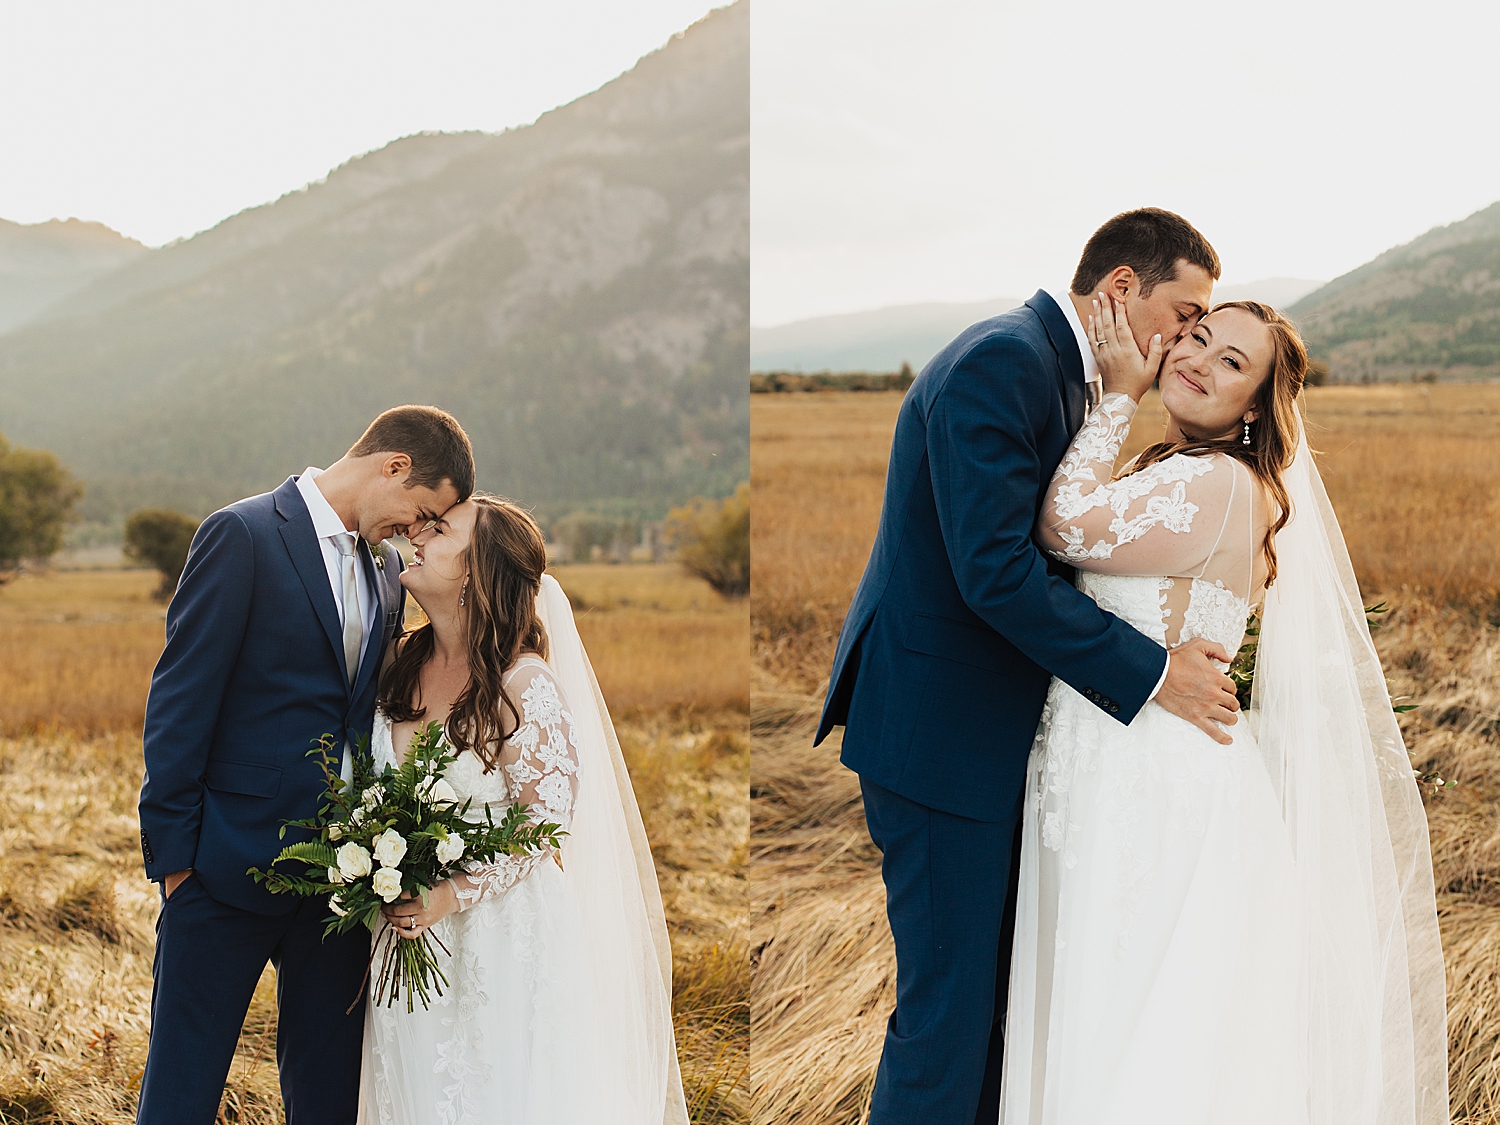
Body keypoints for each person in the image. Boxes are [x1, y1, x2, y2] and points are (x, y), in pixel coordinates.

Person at [814, 208, 1239, 1125]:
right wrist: (1156, 671)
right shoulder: (1005, 361)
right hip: (938, 740)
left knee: (992, 1012)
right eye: (1185, 310)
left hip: (984, 736)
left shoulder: (1068, 371)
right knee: (948, 1018)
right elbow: (996, 571)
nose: (1189, 338)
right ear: (1122, 290)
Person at [1000, 298, 1447, 1122]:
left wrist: (1118, 393)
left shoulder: (1221, 484)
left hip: (1157, 785)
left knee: (1149, 1026)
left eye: (1232, 362)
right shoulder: (1170, 470)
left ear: (1255, 408)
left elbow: (1060, 529)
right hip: (1108, 771)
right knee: (1105, 1007)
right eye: (1199, 337)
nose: (1199, 359)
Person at [136, 405, 474, 1125]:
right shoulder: (244, 534)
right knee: (181, 1093)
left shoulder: (386, 571)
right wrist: (175, 868)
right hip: (221, 873)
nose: (415, 533)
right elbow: (179, 704)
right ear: (394, 466)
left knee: (328, 1098)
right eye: (420, 512)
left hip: (340, 887)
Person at [363, 495, 689, 1125]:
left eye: (439, 529)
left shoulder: (524, 684)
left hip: (500, 947)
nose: (416, 535)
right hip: (402, 941)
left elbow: (545, 826)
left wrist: (448, 895)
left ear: (476, 572)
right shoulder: (396, 668)